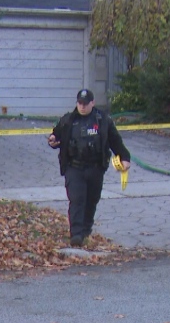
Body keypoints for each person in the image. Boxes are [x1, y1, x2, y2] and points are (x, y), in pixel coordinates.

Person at [47, 89, 131, 247]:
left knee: (91, 200)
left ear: (92, 103)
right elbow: (56, 136)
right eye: (80, 103)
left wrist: (125, 158)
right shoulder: (68, 120)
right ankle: (76, 234)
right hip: (74, 167)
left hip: (95, 167)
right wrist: (52, 139)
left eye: (86, 103)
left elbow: (115, 141)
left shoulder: (103, 120)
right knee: (77, 199)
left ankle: (85, 230)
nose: (82, 106)